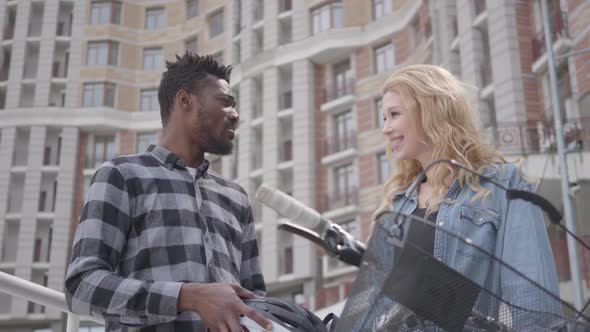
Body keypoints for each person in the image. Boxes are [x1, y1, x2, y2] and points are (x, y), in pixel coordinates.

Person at [65, 53, 273, 332]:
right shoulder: (122, 175)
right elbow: (82, 286)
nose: (235, 115)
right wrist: (188, 297)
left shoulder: (235, 196)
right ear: (185, 100)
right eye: (225, 102)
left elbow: (255, 299)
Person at [374, 64, 559, 328]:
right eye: (385, 118)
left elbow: (532, 294)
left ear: (429, 112)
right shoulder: (397, 202)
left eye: (394, 114)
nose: (386, 129)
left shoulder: (501, 185)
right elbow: (377, 302)